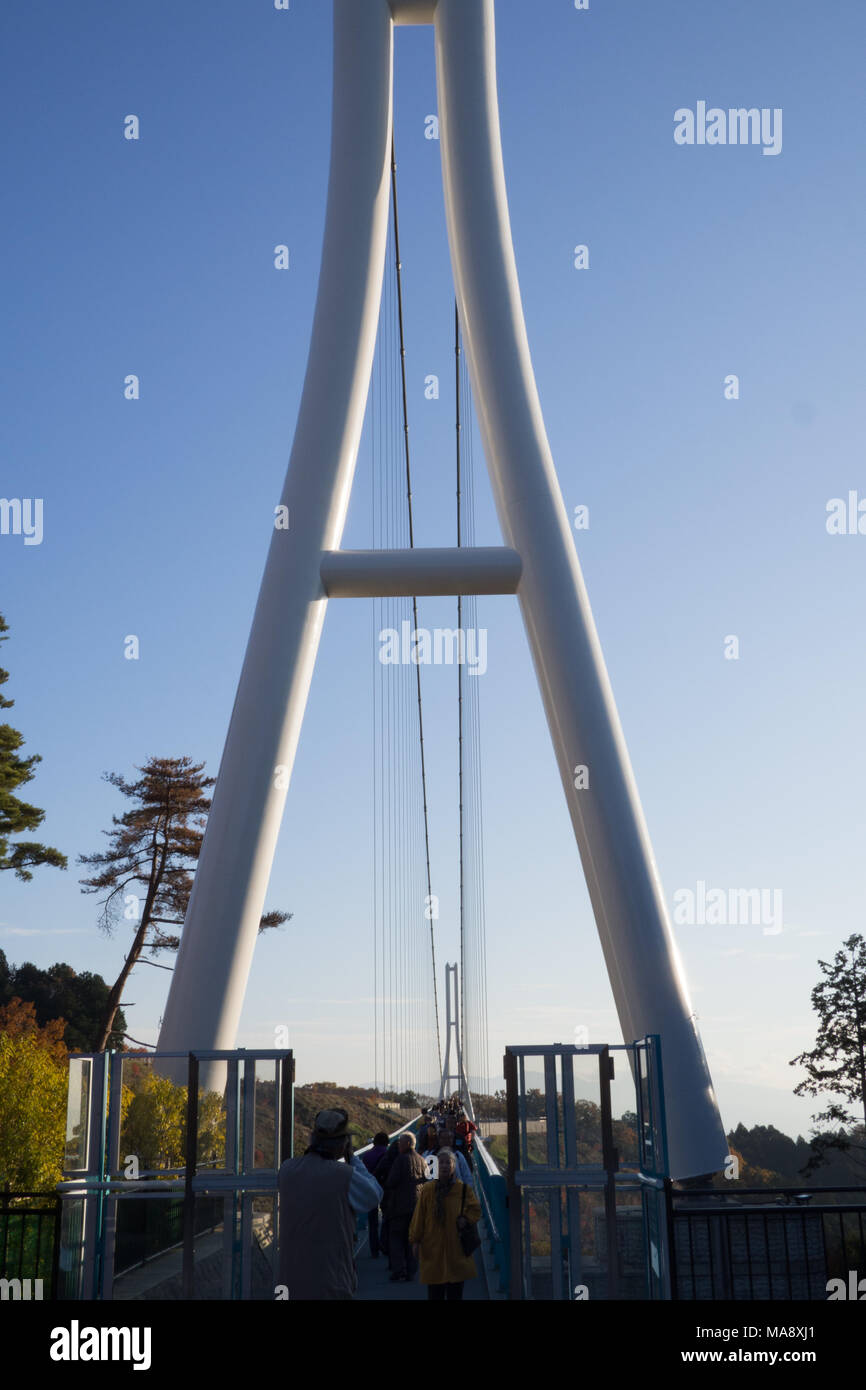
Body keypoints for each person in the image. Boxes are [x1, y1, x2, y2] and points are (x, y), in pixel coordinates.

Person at [278, 1108, 382, 1300]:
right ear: (343, 1145)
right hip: (330, 1282)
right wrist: (353, 1159)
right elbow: (374, 1194)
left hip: (287, 1284)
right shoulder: (344, 1175)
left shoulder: (286, 1170)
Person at [409, 1147, 481, 1301]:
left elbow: (476, 1210)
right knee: (435, 1294)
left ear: (454, 1166)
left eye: (448, 1163)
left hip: (456, 1250)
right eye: (440, 1163)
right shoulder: (428, 1190)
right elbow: (419, 1216)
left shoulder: (463, 1190)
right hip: (433, 1248)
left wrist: (466, 1219)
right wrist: (415, 1240)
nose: (444, 1166)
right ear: (435, 1166)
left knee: (455, 1294)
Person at [384, 1133, 428, 1281]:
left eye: (400, 1143)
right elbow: (427, 1180)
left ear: (408, 1143)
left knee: (396, 1238)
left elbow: (391, 1181)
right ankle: (411, 1270)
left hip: (399, 1206)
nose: (398, 1146)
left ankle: (399, 1270)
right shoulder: (422, 1160)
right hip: (416, 1206)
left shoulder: (400, 1159)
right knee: (412, 1239)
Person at [361, 1131, 390, 1258]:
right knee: (386, 1217)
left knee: (372, 1221)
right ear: (387, 1142)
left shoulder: (367, 1155)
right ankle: (385, 1244)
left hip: (370, 1188)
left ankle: (374, 1250)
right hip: (385, 1189)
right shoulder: (388, 1154)